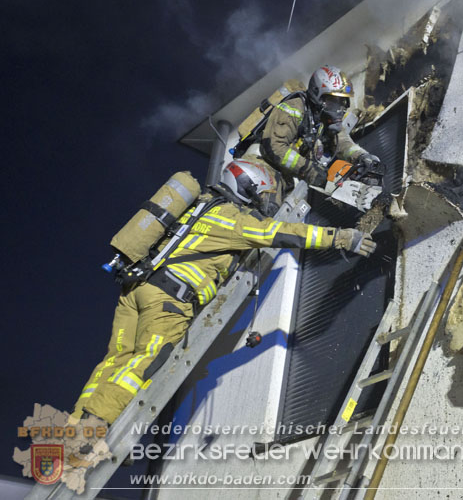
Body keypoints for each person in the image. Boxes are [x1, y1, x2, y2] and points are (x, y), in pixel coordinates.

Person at [70, 157, 376, 426]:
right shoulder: (230, 217)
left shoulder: (199, 208)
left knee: (115, 359)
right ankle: (94, 427)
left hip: (136, 289)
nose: (266, 202)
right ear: (249, 185)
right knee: (148, 359)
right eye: (265, 193)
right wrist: (341, 237)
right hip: (169, 300)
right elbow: (277, 233)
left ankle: (78, 420)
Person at [258, 65, 382, 188]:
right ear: (317, 95)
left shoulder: (325, 117)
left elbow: (342, 141)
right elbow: (275, 147)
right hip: (267, 168)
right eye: (333, 102)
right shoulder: (293, 109)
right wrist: (310, 170)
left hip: (296, 174)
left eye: (342, 102)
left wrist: (362, 156)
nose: (338, 109)